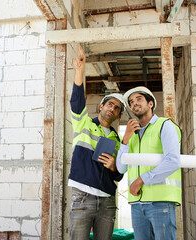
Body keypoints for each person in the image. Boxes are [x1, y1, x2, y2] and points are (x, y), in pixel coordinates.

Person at [68, 45, 124, 240]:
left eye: (117, 108)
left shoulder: (117, 141)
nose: (112, 109)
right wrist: (80, 71)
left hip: (107, 202)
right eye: (110, 104)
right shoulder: (83, 123)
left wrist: (113, 168)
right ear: (101, 106)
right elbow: (76, 102)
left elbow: (119, 176)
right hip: (82, 198)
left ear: (118, 116)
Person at [116, 86, 182, 240]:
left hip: (161, 202)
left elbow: (173, 161)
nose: (134, 104)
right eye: (131, 102)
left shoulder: (165, 125)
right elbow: (121, 168)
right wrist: (125, 140)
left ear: (150, 103)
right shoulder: (131, 134)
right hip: (137, 204)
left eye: (139, 99)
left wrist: (141, 180)